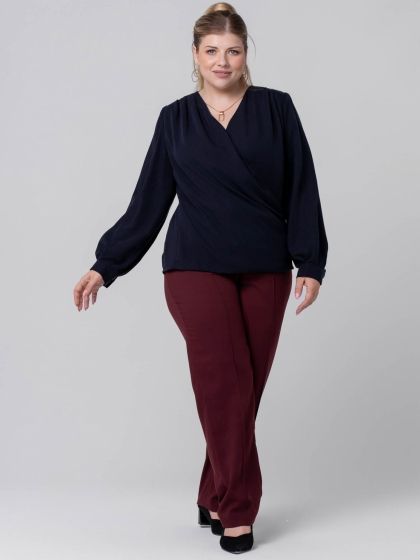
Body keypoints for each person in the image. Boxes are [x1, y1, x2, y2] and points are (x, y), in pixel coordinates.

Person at [73, 2, 328, 554]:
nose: (222, 61)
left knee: (243, 391)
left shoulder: (277, 109)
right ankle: (238, 511)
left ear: (245, 54)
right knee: (226, 385)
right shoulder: (175, 119)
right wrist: (105, 264)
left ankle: (212, 491)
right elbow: (148, 202)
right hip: (194, 265)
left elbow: (302, 186)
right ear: (194, 54)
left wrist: (311, 262)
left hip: (265, 264)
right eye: (211, 51)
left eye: (232, 51)